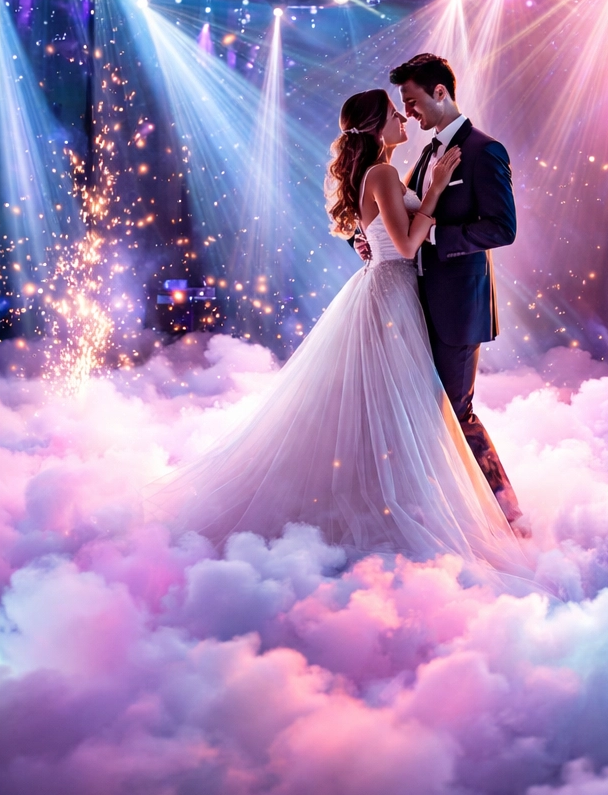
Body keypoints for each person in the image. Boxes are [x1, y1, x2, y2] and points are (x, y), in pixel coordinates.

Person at [165, 89, 531, 581]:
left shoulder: (381, 172)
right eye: (395, 112)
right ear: (379, 126)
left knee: (392, 406)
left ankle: (398, 497)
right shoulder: (381, 172)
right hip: (392, 290)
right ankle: (405, 505)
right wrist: (438, 189)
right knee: (403, 406)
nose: (405, 118)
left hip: (391, 288)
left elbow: (380, 236)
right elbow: (404, 244)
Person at [389, 53, 526, 535]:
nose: (408, 113)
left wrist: (431, 238)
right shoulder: (427, 153)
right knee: (422, 412)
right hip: (415, 302)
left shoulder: (485, 150)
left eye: (412, 101)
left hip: (457, 307)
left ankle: (508, 513)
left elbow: (502, 228)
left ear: (440, 93)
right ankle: (440, 510)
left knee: (457, 411)